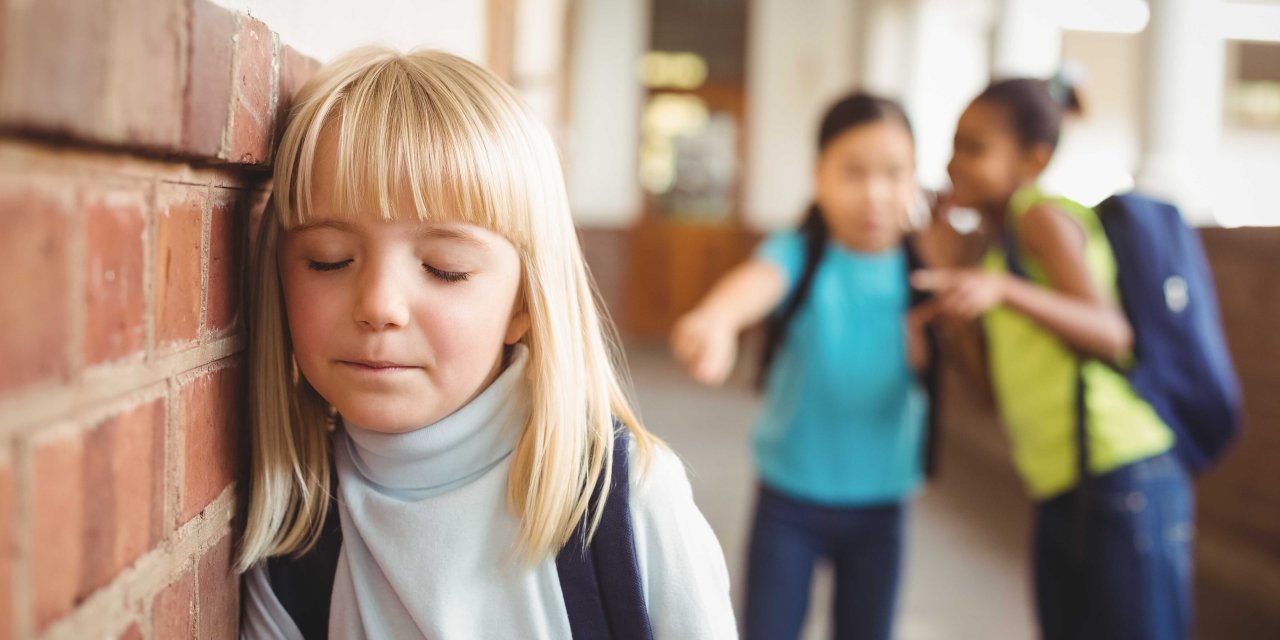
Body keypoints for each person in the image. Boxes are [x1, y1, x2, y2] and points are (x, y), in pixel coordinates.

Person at [235, 47, 737, 639]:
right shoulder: (290, 543)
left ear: (525, 303)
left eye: (444, 268)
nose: (377, 305)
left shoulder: (625, 506)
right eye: (329, 260)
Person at [914, 76, 1192, 640]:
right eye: (952, 145)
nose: (952, 164)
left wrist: (1005, 292)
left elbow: (1112, 333)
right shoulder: (991, 246)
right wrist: (954, 309)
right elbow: (989, 395)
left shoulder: (1040, 218)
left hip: (1122, 473)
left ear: (1033, 160)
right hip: (1060, 483)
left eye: (975, 147)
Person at [671, 92, 932, 640]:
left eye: (894, 173)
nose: (875, 193)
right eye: (853, 172)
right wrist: (716, 320)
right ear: (820, 176)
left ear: (915, 178)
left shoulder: (924, 269)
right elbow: (753, 286)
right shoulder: (798, 251)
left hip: (882, 502)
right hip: (789, 497)